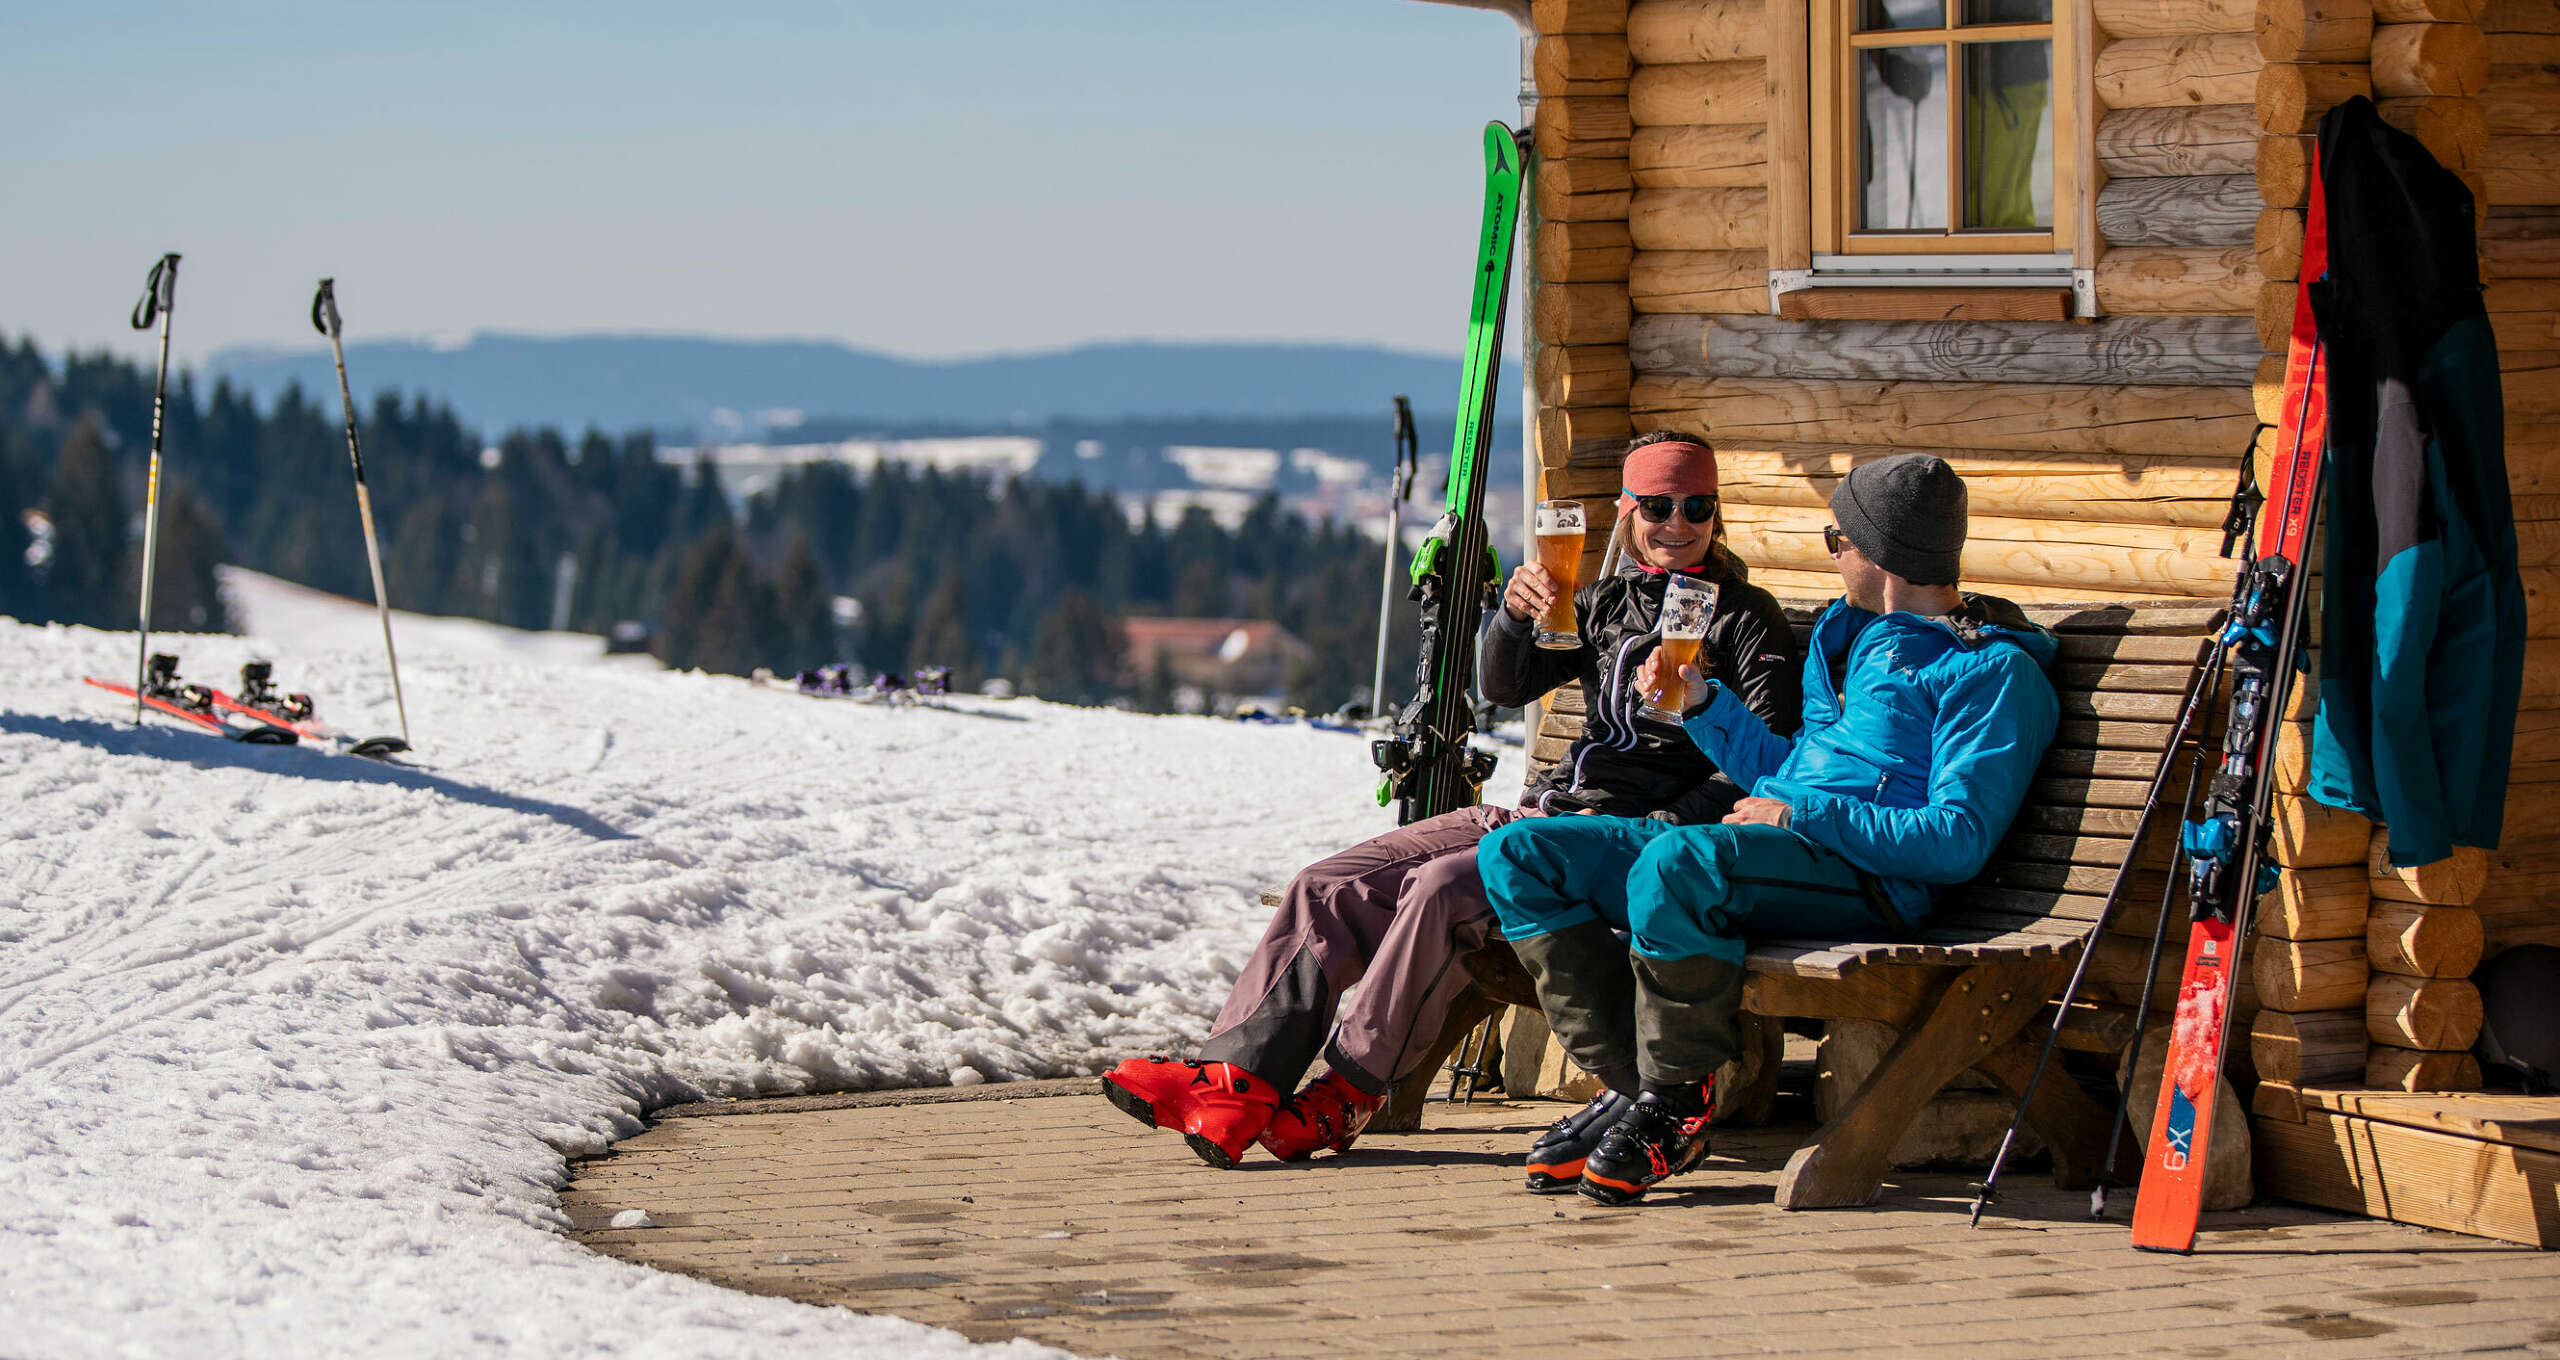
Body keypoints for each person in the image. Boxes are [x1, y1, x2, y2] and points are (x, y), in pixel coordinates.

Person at [1099, 432, 1803, 1169]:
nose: (1678, 524)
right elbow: (1503, 686)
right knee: (1329, 885)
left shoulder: (1744, 618)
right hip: (1544, 813)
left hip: (1622, 844)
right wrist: (1514, 614)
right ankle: (1235, 1081)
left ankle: (1350, 1091)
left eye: (1697, 506)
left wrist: (1662, 826)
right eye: (1658, 506)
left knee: (1439, 889)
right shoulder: (1601, 601)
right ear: (1627, 511)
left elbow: (1766, 763)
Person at [1478, 452, 2062, 1205]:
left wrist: (1803, 813)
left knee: (1679, 863)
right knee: (1520, 854)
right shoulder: (1852, 640)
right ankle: (1639, 1088)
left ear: (1877, 552)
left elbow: (1954, 841)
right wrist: (1703, 704)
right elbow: (1791, 770)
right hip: (1785, 851)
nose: (1834, 551)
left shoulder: (1991, 673)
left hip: (1873, 882)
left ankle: (1675, 1104)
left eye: (1836, 537)